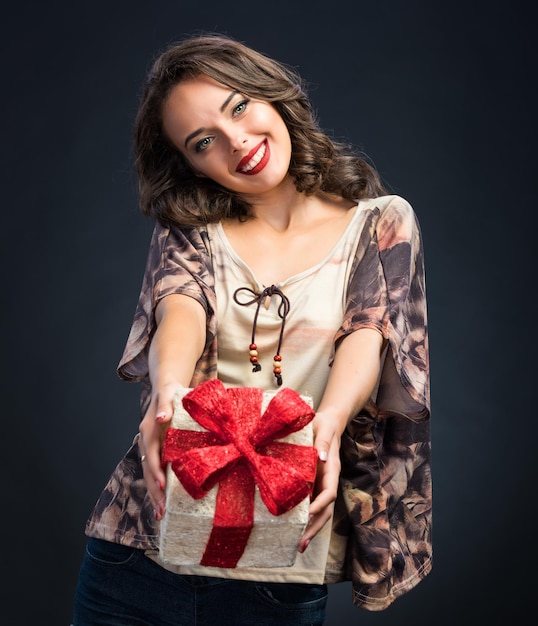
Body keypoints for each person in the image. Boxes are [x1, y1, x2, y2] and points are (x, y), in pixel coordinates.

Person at [72, 33, 432, 626]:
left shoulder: (381, 224)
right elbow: (179, 308)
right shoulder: (191, 225)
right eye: (203, 142)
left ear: (274, 95)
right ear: (188, 164)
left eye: (239, 105)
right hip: (137, 555)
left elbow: (368, 336)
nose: (236, 142)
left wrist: (330, 425)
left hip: (277, 570)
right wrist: (168, 392)